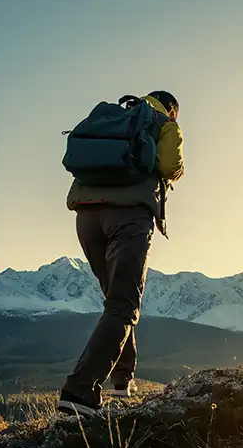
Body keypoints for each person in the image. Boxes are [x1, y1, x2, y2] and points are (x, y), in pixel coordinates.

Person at [58, 91, 183, 416]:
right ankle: (80, 391)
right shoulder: (166, 124)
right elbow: (170, 165)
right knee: (123, 306)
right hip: (128, 215)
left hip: (86, 216)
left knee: (115, 301)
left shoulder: (114, 115)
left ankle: (121, 378)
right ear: (172, 110)